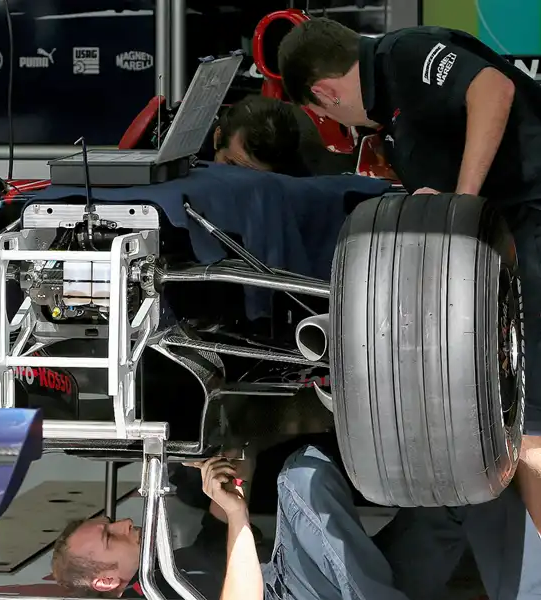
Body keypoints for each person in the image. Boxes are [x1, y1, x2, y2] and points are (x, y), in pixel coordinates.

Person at [276, 17, 541, 534]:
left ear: (324, 92)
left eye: (323, 112)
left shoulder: (403, 54)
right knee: (525, 436)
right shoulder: (394, 129)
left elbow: (492, 87)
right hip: (513, 250)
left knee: (531, 437)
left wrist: (460, 203)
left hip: (533, 220)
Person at [51, 447, 541, 599]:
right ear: (105, 579)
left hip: (336, 582)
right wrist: (240, 514)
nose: (125, 527)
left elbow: (225, 529)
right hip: (294, 592)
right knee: (301, 477)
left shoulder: (167, 564)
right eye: (111, 537)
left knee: (466, 491)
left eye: (113, 522)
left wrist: (231, 465)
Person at [208, 95, 355, 177]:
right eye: (231, 165)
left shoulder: (311, 177)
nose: (236, 182)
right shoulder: (188, 153)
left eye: (254, 176)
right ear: (217, 137)